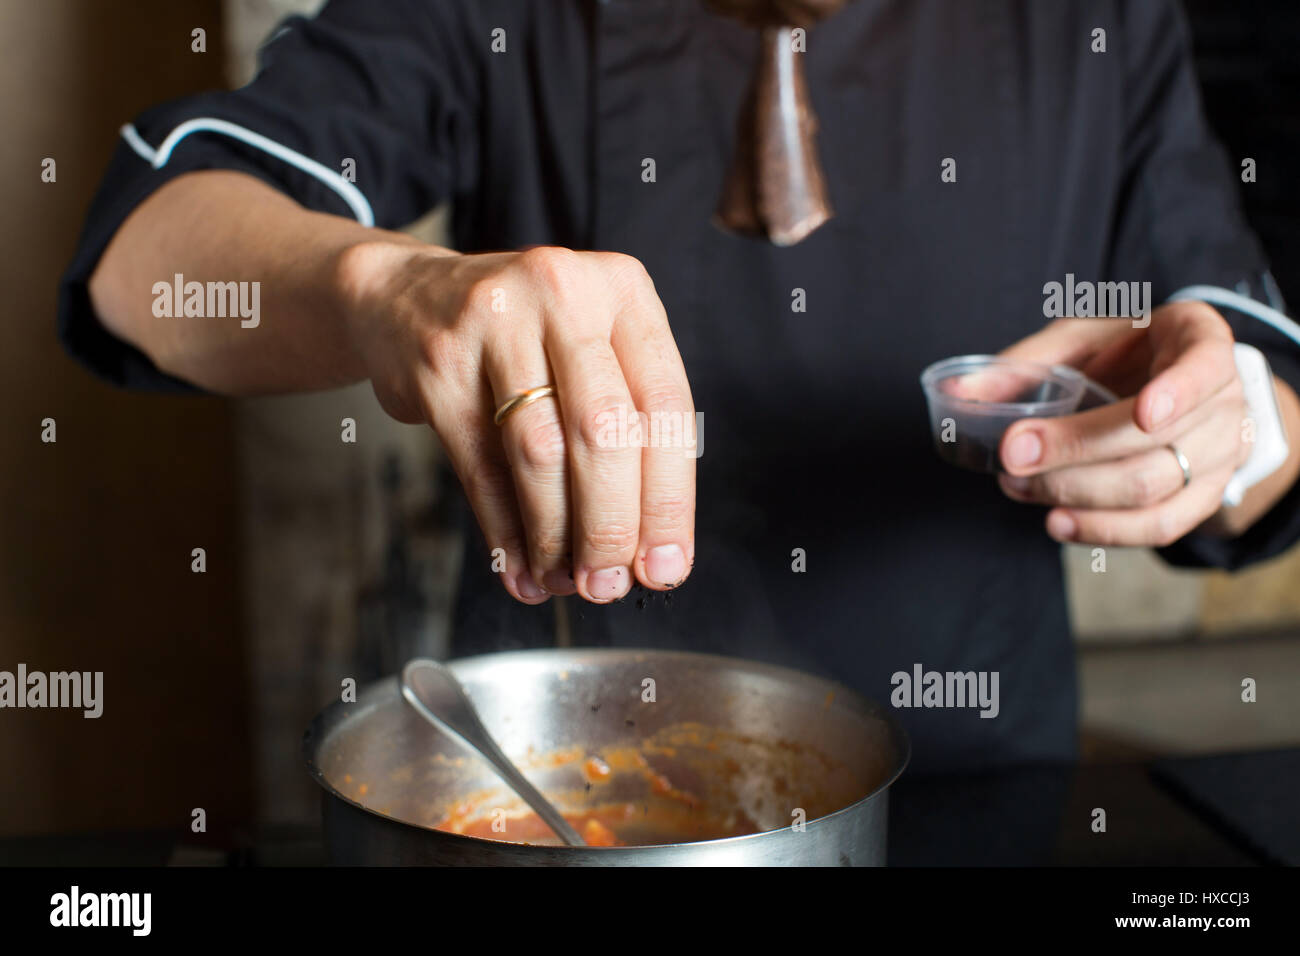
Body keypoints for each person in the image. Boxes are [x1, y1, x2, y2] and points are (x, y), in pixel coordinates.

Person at [61, 0, 1300, 774]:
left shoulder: (1104, 20)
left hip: (969, 787)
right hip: (554, 784)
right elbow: (140, 261)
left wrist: (1214, 427)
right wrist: (380, 289)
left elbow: (1264, 393)